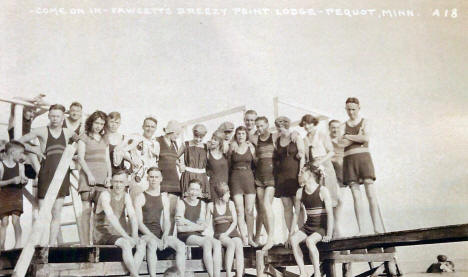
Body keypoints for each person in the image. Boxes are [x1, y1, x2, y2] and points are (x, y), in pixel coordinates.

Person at [18, 104, 77, 246]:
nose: (55, 119)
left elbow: (81, 141)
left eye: (58, 116)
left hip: (62, 175)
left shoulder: (68, 133)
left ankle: (50, 246)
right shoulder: (42, 131)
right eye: (52, 116)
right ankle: (38, 244)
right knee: (43, 212)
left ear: (63, 118)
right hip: (47, 173)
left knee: (57, 212)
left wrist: (75, 156)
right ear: (49, 116)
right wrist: (35, 150)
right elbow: (20, 141)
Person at [133, 167, 186, 277]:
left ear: (161, 179)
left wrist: (165, 235)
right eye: (151, 177)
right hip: (145, 234)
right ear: (147, 178)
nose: (154, 179)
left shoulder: (163, 198)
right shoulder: (141, 197)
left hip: (160, 234)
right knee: (152, 244)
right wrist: (155, 238)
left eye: (156, 177)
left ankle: (181, 274)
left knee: (181, 245)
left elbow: (167, 220)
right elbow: (139, 223)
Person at [341, 97, 384, 234]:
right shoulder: (343, 125)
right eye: (348, 109)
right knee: (356, 196)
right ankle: (362, 229)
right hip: (349, 160)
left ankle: (377, 228)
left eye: (353, 109)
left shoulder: (366, 122)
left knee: (370, 194)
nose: (351, 112)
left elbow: (366, 138)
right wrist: (356, 137)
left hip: (364, 159)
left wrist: (348, 136)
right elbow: (342, 144)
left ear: (359, 108)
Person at [93, 170, 146, 277]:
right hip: (103, 234)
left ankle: (132, 274)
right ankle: (136, 275)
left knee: (142, 243)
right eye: (116, 182)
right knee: (126, 243)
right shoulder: (105, 194)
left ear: (126, 183)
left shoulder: (126, 196)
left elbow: (132, 216)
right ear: (112, 182)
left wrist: (135, 236)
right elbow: (111, 217)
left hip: (119, 234)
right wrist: (127, 236)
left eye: (121, 182)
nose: (118, 185)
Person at [300, 114, 342, 237]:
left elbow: (331, 152)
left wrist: (321, 161)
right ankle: (322, 231)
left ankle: (334, 232)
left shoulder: (322, 135)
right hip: (314, 171)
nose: (307, 126)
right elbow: (306, 157)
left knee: (331, 199)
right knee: (318, 199)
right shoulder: (304, 139)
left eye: (309, 123)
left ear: (314, 124)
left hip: (326, 167)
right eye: (305, 124)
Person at [290, 168, 334, 277]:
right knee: (293, 240)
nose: (299, 174)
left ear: (310, 175)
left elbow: (330, 214)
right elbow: (296, 213)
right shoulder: (300, 191)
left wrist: (329, 234)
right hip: (308, 226)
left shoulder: (322, 190)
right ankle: (303, 272)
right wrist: (290, 234)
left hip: (321, 227)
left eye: (302, 172)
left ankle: (317, 273)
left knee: (310, 241)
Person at [77, 111, 112, 245]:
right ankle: (85, 244)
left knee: (100, 212)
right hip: (88, 178)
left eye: (102, 124)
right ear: (91, 122)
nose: (99, 126)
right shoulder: (84, 137)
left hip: (102, 179)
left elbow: (107, 160)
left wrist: (109, 177)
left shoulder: (105, 139)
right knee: (86, 211)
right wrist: (89, 174)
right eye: (97, 122)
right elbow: (80, 158)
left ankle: (97, 243)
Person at [175, 179, 222, 277]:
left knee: (217, 243)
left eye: (196, 190)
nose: (193, 192)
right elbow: (180, 229)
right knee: (207, 243)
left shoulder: (202, 204)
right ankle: (211, 275)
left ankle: (217, 275)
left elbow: (202, 228)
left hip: (198, 235)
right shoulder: (181, 203)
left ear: (200, 191)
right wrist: (196, 226)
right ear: (187, 189)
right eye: (192, 189)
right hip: (185, 236)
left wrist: (185, 221)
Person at [273, 116, 305, 245]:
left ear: (288, 126)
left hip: (294, 175)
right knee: (286, 207)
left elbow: (303, 156)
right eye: (279, 127)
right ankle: (291, 235)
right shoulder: (277, 139)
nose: (281, 130)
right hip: (282, 177)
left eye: (284, 127)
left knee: (298, 206)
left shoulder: (296, 137)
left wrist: (300, 174)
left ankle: (302, 234)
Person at [206, 183, 244, 277]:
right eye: (227, 194)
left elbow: (235, 222)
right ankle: (228, 273)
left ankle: (239, 275)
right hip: (220, 234)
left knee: (239, 243)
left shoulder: (230, 204)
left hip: (231, 232)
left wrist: (227, 233)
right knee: (231, 244)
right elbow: (206, 223)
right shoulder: (211, 206)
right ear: (221, 196)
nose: (229, 196)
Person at [228, 126, 257, 246]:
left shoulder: (251, 147)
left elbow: (256, 163)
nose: (240, 136)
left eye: (243, 134)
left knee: (249, 211)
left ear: (246, 135)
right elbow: (228, 165)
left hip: (248, 178)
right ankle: (244, 238)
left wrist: (253, 149)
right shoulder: (232, 147)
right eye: (239, 134)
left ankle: (250, 237)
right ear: (236, 135)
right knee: (239, 211)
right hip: (236, 179)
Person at [252, 116, 276, 250]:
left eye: (262, 125)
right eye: (258, 126)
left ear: (267, 124)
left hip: (272, 177)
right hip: (259, 177)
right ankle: (267, 237)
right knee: (261, 208)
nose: (260, 128)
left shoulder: (274, 137)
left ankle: (271, 238)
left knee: (267, 204)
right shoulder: (255, 140)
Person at [0, 141, 29, 249]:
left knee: (15, 220)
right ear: (12, 152)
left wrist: (24, 181)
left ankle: (18, 245)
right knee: (4, 221)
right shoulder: (1, 165)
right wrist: (11, 180)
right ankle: (1, 246)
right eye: (20, 153)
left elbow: (23, 179)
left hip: (16, 195)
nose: (22, 156)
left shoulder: (20, 166)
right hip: (4, 195)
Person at [123, 116, 159, 190]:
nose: (149, 129)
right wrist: (131, 161)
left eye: (152, 127)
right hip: (138, 178)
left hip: (152, 179)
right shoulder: (135, 139)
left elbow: (155, 161)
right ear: (143, 127)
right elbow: (121, 151)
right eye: (147, 126)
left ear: (155, 128)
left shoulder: (156, 144)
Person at [180, 124, 210, 200]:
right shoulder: (186, 144)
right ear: (193, 134)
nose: (198, 139)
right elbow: (174, 157)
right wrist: (180, 165)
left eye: (201, 137)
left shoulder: (206, 146)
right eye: (196, 136)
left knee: (201, 201)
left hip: (201, 177)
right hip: (188, 176)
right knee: (188, 199)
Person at [154, 120, 183, 196]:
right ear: (171, 132)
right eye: (177, 134)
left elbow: (174, 159)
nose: (178, 137)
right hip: (161, 180)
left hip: (174, 180)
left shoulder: (175, 144)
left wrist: (179, 165)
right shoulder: (157, 141)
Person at [206, 131, 229, 199]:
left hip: (225, 186)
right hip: (213, 186)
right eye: (212, 139)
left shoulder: (225, 153)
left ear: (220, 142)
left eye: (215, 140)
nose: (212, 141)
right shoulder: (207, 153)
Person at [328, 120, 345, 187]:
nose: (335, 130)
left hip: (343, 169)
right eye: (333, 127)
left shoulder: (344, 139)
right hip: (330, 165)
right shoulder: (325, 139)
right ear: (329, 128)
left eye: (338, 127)